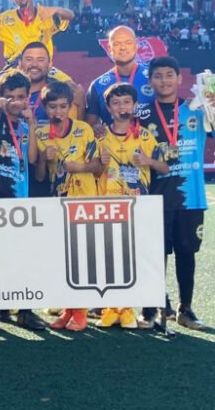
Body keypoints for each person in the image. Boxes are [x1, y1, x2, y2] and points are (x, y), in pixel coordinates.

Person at [138, 57, 209, 330]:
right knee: (155, 254)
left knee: (186, 252)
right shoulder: (141, 114)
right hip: (154, 197)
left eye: (169, 75)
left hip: (191, 196)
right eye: (158, 76)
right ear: (150, 81)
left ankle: (186, 309)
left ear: (180, 79)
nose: (164, 80)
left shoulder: (198, 111)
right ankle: (152, 307)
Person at [95, 83, 169, 330]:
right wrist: (99, 162)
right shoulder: (100, 136)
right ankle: (111, 308)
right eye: (116, 103)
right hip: (108, 205)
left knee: (133, 258)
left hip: (138, 206)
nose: (122, 107)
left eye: (126, 102)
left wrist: (147, 161)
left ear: (134, 106)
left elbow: (165, 167)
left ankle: (128, 309)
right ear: (108, 108)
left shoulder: (145, 136)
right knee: (110, 258)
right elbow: (93, 171)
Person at [33, 81, 100, 332]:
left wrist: (79, 167)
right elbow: (40, 177)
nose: (58, 112)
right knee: (62, 259)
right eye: (53, 107)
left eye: (63, 106)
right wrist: (42, 158)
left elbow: (98, 167)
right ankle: (67, 310)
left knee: (80, 257)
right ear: (44, 107)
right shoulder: (40, 134)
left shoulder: (84, 129)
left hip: (84, 202)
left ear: (71, 106)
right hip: (57, 205)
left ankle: (81, 312)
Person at [0, 71, 41, 334]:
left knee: (21, 256)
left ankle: (24, 311)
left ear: (28, 98)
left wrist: (34, 126)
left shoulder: (26, 126)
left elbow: (34, 158)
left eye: (21, 97)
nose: (16, 101)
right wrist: (0, 104)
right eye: (11, 97)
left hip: (21, 198)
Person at [86, 26, 153, 126]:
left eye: (128, 43)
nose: (123, 48)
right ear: (109, 48)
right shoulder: (97, 86)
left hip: (151, 140)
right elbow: (90, 127)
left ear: (136, 45)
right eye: (117, 44)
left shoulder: (154, 78)